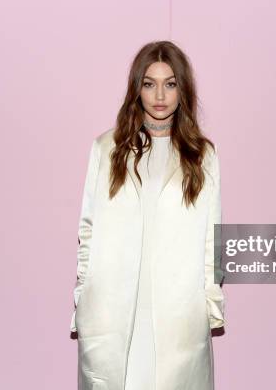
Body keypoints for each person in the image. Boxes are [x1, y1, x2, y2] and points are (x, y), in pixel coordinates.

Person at [70, 40, 226, 390]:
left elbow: (212, 241)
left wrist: (209, 305)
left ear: (182, 89)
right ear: (136, 89)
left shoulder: (202, 156)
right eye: (149, 83)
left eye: (170, 83)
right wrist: (84, 297)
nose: (160, 95)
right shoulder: (106, 149)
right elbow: (88, 231)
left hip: (178, 317)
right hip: (113, 312)